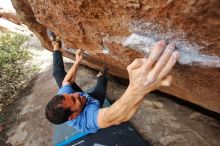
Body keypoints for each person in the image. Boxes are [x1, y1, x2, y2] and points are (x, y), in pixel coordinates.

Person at [45, 31, 180, 134]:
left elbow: (66, 81)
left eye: (71, 95)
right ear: (73, 116)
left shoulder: (65, 98)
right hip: (94, 101)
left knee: (58, 74)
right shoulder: (88, 120)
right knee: (102, 82)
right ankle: (102, 76)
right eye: (74, 101)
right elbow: (115, 116)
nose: (76, 95)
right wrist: (137, 88)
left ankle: (55, 44)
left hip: (85, 102)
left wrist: (77, 61)